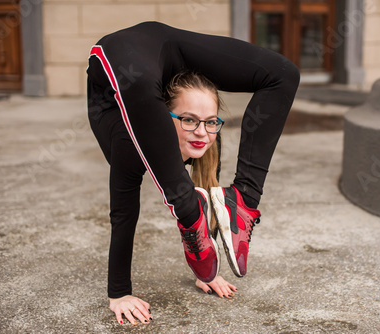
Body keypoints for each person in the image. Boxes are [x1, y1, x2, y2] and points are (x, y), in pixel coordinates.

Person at [87, 21, 300, 326]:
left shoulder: (207, 135)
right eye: (188, 120)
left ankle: (246, 200)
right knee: (139, 87)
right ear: (165, 117)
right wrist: (119, 293)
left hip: (165, 42)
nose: (202, 132)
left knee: (284, 75)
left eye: (211, 121)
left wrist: (207, 270)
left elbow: (208, 193)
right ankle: (186, 211)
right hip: (112, 70)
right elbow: (123, 214)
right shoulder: (127, 144)